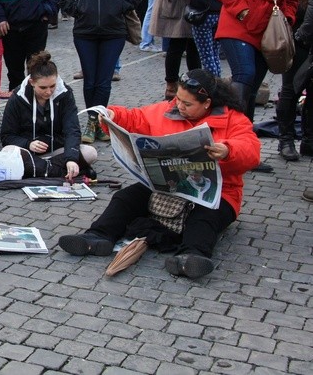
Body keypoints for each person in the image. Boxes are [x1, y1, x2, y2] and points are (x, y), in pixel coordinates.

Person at [58, 69, 261, 279]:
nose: (179, 106)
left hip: (217, 192)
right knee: (125, 198)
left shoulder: (233, 120)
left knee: (203, 217)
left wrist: (228, 150)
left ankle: (191, 256)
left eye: (187, 104)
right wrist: (113, 115)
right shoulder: (167, 110)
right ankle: (98, 236)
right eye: (177, 99)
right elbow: (135, 118)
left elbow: (251, 151)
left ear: (207, 103)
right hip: (168, 185)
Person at [217, 0, 305, 165]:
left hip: (269, 33)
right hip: (238, 25)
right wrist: (245, 13)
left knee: (253, 90)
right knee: (244, 77)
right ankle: (225, 139)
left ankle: (244, 149)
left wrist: (286, 19)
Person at [58, 0, 142, 144]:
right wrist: (79, 10)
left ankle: (97, 121)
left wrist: (118, 8)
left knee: (104, 80)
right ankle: (92, 121)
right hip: (85, 31)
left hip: (113, 31)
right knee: (90, 80)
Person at [0, 51, 97, 179]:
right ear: (31, 82)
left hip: (55, 150)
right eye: (43, 87)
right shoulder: (18, 98)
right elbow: (7, 136)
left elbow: (72, 130)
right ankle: (58, 172)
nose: (49, 92)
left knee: (91, 153)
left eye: (52, 86)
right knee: (7, 152)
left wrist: (71, 159)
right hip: (28, 152)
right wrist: (28, 144)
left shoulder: (65, 94)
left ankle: (36, 170)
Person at [278, 0, 313, 163]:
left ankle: (308, 140)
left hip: (304, 29)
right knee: (292, 87)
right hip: (299, 30)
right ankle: (286, 139)